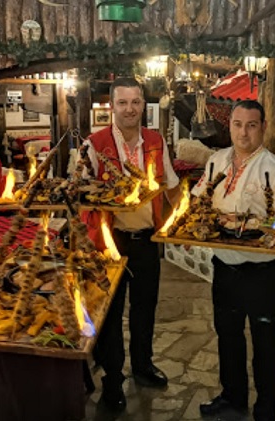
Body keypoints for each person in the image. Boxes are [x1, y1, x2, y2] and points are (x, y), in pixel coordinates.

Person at [192, 100, 275, 421]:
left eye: (251, 125)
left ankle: (266, 410)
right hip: (224, 266)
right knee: (228, 336)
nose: (243, 133)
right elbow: (198, 200)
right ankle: (232, 398)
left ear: (263, 127)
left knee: (265, 344)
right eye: (237, 124)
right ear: (230, 126)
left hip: (263, 272)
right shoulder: (216, 161)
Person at [81, 77, 180, 411]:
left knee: (144, 309)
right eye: (122, 103)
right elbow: (81, 194)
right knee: (110, 314)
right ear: (112, 106)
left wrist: (181, 224)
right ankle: (113, 380)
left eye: (135, 102)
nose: (129, 109)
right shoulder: (94, 144)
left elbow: (171, 186)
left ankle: (143, 365)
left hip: (146, 240)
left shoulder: (156, 141)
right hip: (110, 244)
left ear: (143, 105)